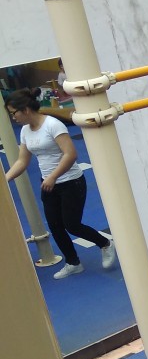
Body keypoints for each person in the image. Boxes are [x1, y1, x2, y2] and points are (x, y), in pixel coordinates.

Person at [5, 87, 116, 279]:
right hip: (48, 184)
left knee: (72, 225)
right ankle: (73, 262)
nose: (13, 117)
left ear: (26, 110)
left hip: (71, 182)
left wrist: (53, 176)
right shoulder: (25, 131)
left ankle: (105, 244)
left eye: (14, 113)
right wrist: (5, 179)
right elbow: (22, 161)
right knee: (55, 226)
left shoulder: (53, 125)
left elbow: (70, 154)